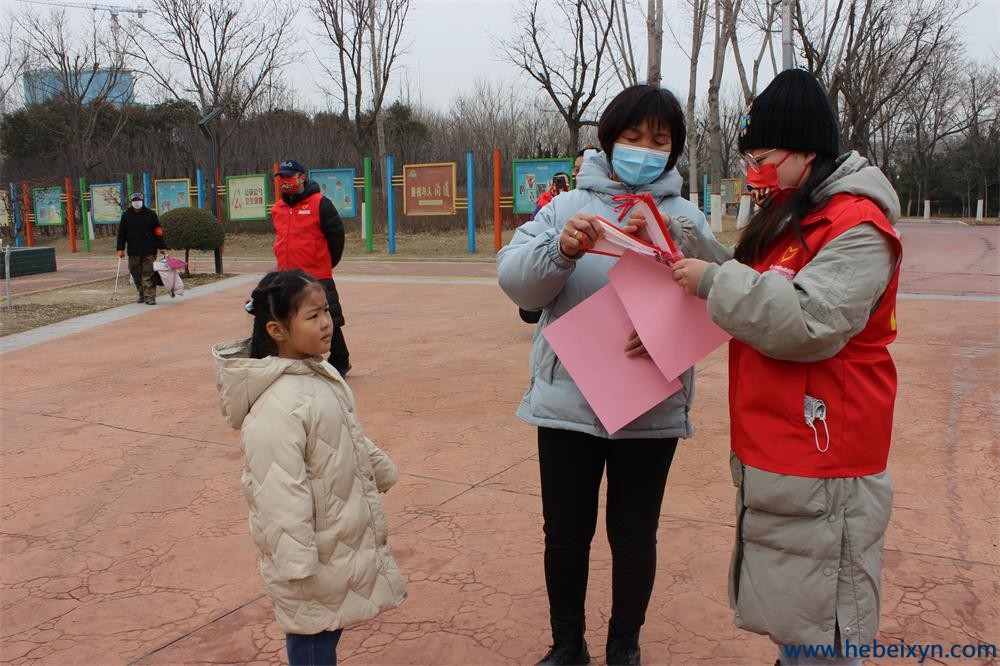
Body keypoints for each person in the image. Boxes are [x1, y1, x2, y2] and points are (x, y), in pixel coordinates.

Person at [667, 69, 901, 666]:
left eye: (764, 156)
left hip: (827, 453)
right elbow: (762, 286)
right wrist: (691, 246)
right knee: (797, 611)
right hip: (783, 444)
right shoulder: (791, 216)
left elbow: (808, 321)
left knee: (824, 617)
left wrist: (714, 280)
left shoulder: (857, 228)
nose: (756, 171)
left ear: (806, 149)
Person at [497, 84, 713, 666]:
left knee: (634, 536)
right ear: (608, 140)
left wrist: (672, 307)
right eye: (633, 137)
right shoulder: (567, 207)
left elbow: (723, 298)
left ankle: (625, 645)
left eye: (660, 141)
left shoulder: (687, 218)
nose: (645, 149)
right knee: (565, 536)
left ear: (673, 152)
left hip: (651, 405)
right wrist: (561, 253)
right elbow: (516, 281)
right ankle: (567, 645)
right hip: (568, 401)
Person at [212, 270, 407, 666]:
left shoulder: (319, 374)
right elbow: (278, 491)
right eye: (312, 315)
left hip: (331, 539)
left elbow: (344, 433)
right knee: (313, 637)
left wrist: (379, 467)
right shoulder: (276, 405)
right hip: (308, 553)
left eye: (327, 312)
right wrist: (296, 564)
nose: (326, 324)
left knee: (325, 628)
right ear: (277, 329)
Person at [271, 159, 351, 377]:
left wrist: (324, 262)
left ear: (302, 177)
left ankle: (340, 360)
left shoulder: (320, 203)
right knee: (293, 318)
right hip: (287, 275)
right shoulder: (278, 208)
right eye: (282, 179)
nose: (286, 182)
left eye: (290, 177)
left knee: (328, 318)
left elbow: (337, 237)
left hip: (317, 274)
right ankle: (300, 359)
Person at [116, 192, 166, 305]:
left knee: (148, 274)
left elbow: (158, 231)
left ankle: (150, 297)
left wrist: (162, 246)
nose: (136, 202)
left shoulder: (151, 215)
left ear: (142, 201)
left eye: (138, 200)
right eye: (134, 200)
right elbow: (121, 233)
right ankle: (142, 294)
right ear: (132, 202)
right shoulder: (126, 215)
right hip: (133, 250)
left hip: (149, 249)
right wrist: (120, 248)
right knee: (135, 273)